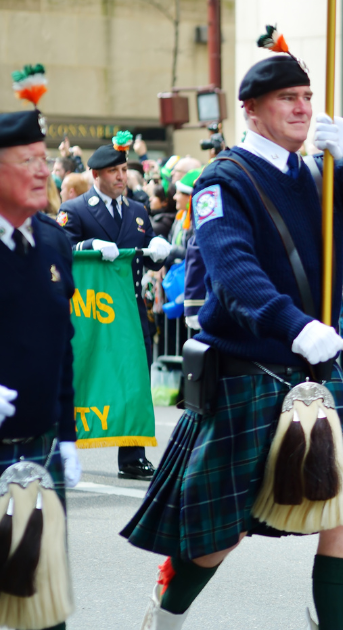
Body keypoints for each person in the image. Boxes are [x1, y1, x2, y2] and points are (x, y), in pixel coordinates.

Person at [120, 41, 343, 629]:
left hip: (315, 372)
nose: (303, 108)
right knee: (218, 534)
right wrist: (297, 325)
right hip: (250, 370)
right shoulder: (221, 181)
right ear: (251, 109)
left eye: (308, 97)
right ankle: (164, 621)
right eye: (287, 98)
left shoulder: (325, 174)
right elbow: (234, 273)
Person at [0, 108, 82, 630]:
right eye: (25, 159)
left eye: (43, 159)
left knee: (43, 591)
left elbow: (63, 343)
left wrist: (69, 432)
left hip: (39, 442)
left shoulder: (53, 241)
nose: (40, 170)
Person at [58, 131, 173, 481]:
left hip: (129, 309)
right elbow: (62, 248)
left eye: (124, 170)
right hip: (90, 312)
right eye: (114, 172)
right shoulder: (75, 208)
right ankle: (62, 448)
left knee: (135, 378)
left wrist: (157, 249)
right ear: (96, 175)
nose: (122, 177)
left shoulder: (138, 211)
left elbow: (143, 261)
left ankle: (133, 455)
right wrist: (89, 245)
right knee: (81, 375)